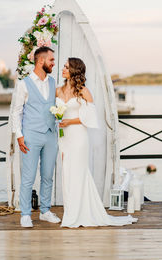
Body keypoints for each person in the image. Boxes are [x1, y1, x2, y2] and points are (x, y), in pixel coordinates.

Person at [56, 57, 138, 228]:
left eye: (66, 67)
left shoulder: (84, 92)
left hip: (78, 137)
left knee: (78, 173)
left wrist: (69, 122)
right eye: (63, 66)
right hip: (64, 137)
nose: (62, 69)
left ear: (74, 71)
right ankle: (71, 211)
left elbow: (90, 118)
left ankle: (79, 214)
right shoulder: (58, 90)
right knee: (66, 174)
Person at [12, 46, 60, 227]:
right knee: (28, 176)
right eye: (51, 60)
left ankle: (45, 211)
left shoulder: (52, 81)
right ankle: (25, 213)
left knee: (48, 175)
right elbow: (16, 112)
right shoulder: (24, 84)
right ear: (41, 61)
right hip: (31, 135)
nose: (53, 64)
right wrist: (19, 136)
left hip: (50, 135)